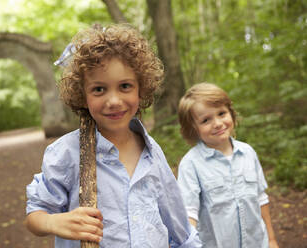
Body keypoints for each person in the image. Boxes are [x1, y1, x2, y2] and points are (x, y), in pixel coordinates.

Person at [25, 23, 201, 248]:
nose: (114, 101)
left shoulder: (152, 151)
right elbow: (35, 217)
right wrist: (53, 222)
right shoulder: (66, 153)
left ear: (141, 88)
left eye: (125, 86)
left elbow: (179, 227)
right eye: (99, 89)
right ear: (82, 94)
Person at [176, 82, 279, 248]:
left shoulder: (248, 153)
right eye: (206, 120)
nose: (217, 123)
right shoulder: (191, 164)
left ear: (231, 113)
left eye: (221, 113)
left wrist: (271, 240)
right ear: (193, 128)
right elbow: (189, 213)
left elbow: (261, 199)